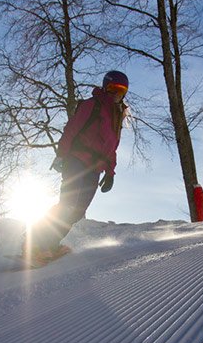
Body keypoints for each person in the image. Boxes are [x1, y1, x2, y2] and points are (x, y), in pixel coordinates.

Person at [27, 70, 130, 262]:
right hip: (77, 159)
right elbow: (71, 129)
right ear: (106, 87)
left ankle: (50, 244)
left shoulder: (117, 117)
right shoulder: (93, 105)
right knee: (68, 204)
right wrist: (61, 155)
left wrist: (110, 173)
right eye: (114, 88)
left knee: (77, 210)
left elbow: (112, 148)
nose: (117, 93)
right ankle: (35, 242)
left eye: (122, 90)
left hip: (95, 168)